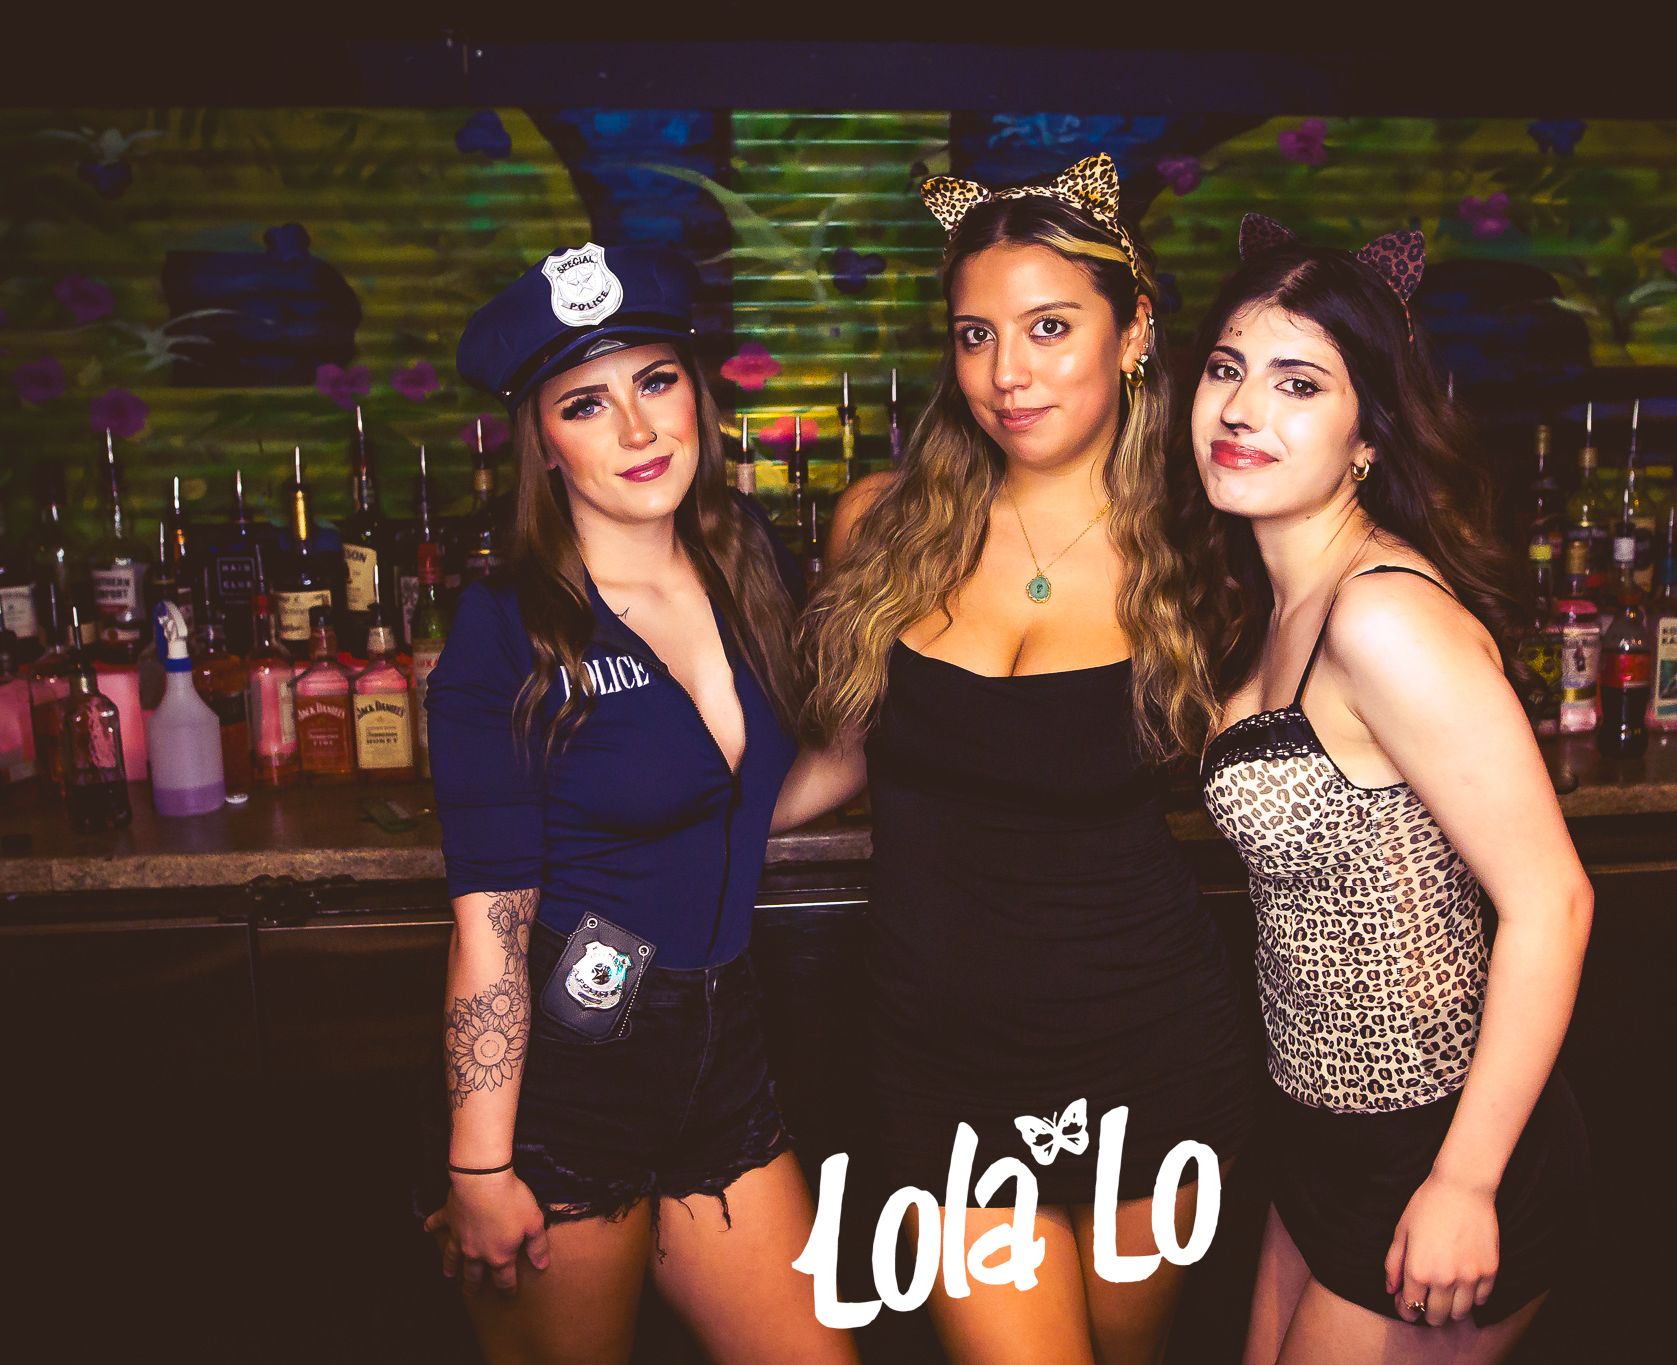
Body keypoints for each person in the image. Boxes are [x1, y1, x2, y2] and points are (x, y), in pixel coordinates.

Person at [775, 155, 1256, 1365]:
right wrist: (645, 830)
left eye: (1049, 327)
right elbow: (838, 756)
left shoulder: (1208, 551)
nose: (1006, 373)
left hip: (1146, 1048)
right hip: (939, 1061)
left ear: (1131, 332)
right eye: (975, 334)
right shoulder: (884, 523)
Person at [419, 242, 858, 1365]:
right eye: (586, 403)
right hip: (570, 1082)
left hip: (725, 1058)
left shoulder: (743, 564)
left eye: (655, 381)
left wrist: (896, 700)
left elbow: (739, 806)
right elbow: (491, 928)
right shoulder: (506, 628)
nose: (637, 428)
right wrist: (480, 1168)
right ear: (541, 442)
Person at [1187, 215, 1593, 1365]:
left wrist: (1464, 1181)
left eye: (1297, 384)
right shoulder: (1269, 600)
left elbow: (1552, 902)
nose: (1240, 410)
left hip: (1434, 1142)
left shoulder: (1381, 616)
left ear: (1366, 434)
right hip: (1318, 1129)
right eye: (1224, 369)